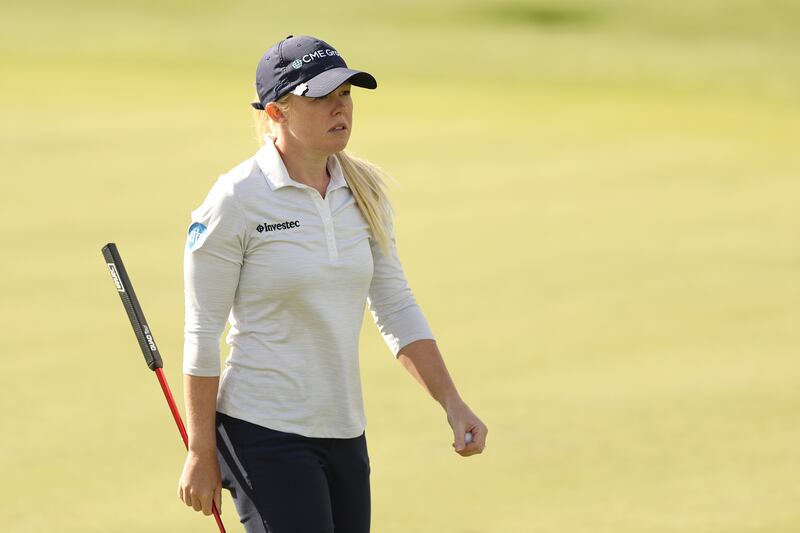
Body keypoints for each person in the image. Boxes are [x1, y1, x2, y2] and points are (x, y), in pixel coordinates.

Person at [177, 35, 487, 533]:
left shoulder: (363, 192)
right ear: (276, 112)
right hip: (262, 430)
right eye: (321, 97)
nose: (340, 108)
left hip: (344, 430)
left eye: (345, 94)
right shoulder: (235, 200)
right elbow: (201, 332)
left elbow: (395, 306)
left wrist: (452, 402)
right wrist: (201, 451)